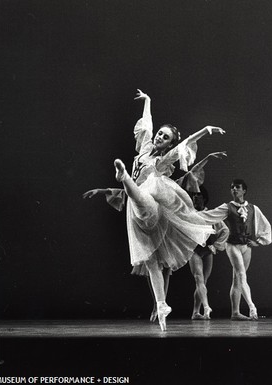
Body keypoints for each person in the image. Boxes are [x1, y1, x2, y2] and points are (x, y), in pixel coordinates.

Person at [85, 89, 225, 331]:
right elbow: (147, 125)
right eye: (161, 134)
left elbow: (186, 143)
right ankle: (161, 305)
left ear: (169, 143)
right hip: (136, 215)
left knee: (143, 194)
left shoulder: (162, 160)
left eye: (166, 137)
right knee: (150, 261)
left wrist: (206, 130)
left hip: (151, 203)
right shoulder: (144, 148)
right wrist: (148, 101)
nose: (160, 137)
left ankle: (124, 177)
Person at [83, 151, 227, 323]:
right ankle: (158, 304)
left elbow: (192, 173)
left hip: (169, 234)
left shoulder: (171, 185)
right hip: (154, 232)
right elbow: (128, 193)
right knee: (154, 269)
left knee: (166, 271)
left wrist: (207, 158)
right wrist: (102, 190)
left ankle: (168, 305)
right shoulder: (147, 186)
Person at [197, 179, 272, 320]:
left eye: (237, 187)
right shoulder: (227, 207)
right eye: (232, 187)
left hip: (246, 247)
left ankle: (235, 312)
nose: (234, 190)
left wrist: (258, 242)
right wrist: (188, 215)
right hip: (232, 246)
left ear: (244, 190)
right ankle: (252, 307)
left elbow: (265, 226)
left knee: (237, 280)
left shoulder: (253, 208)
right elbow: (209, 215)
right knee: (241, 275)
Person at [187, 187, 229, 320]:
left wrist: (215, 246)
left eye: (198, 195)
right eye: (193, 195)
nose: (195, 198)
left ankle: (195, 312)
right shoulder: (189, 213)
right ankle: (206, 307)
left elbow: (225, 230)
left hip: (207, 250)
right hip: (194, 250)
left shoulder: (210, 214)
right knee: (198, 278)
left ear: (204, 198)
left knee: (203, 282)